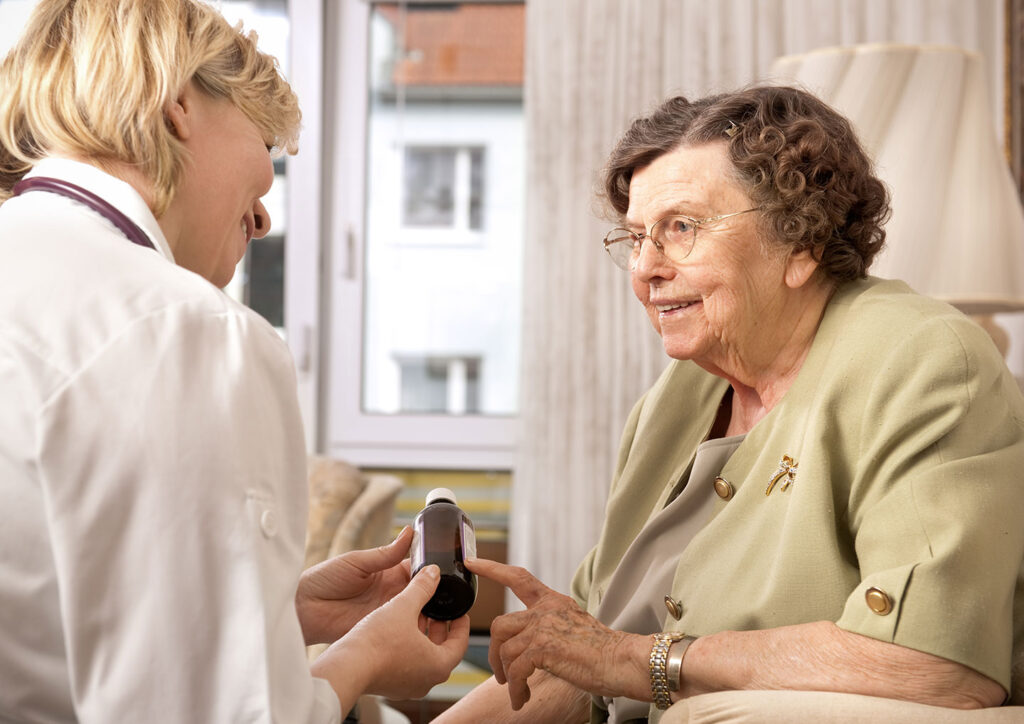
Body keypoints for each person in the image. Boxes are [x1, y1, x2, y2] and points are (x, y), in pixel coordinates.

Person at [437, 86, 1024, 723]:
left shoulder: (922, 361)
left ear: (800, 241)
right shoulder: (679, 397)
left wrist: (643, 662)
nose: (646, 268)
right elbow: (581, 656)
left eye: (681, 228)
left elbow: (934, 666)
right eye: (635, 238)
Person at [0, 1, 468, 721]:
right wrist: (364, 658)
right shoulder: (187, 332)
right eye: (264, 148)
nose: (264, 215)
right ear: (178, 102)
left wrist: (279, 611)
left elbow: (48, 608)